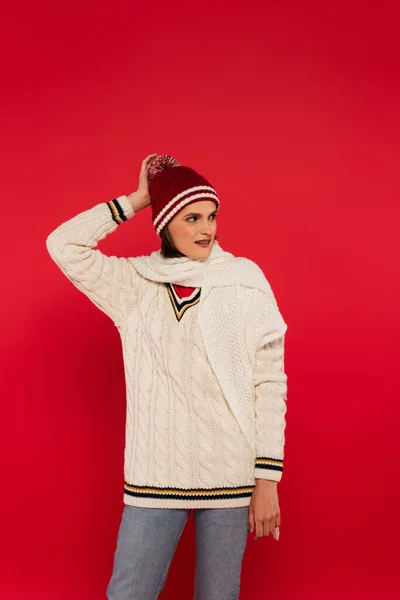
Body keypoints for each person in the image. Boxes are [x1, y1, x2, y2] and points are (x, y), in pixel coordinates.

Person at [46, 154, 289, 600]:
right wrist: (137, 199)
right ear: (163, 223)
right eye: (191, 217)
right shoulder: (134, 284)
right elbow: (64, 245)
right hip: (155, 474)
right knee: (128, 593)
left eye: (212, 216)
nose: (206, 229)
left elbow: (269, 383)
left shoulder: (244, 281)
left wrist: (267, 478)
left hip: (231, 475)